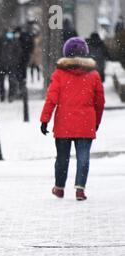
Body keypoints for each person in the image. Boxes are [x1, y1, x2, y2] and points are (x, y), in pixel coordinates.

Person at [40, 37, 105, 201]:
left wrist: (45, 119)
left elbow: (51, 98)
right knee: (83, 157)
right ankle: (80, 189)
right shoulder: (94, 75)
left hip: (64, 123)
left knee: (62, 157)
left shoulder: (59, 74)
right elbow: (100, 101)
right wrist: (96, 121)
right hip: (85, 123)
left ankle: (59, 188)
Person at [0, 29, 23, 102]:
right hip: (7, 64)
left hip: (6, 64)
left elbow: (19, 51)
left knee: (6, 81)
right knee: (8, 81)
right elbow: (19, 51)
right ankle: (7, 96)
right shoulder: (12, 40)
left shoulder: (3, 40)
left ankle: (5, 96)